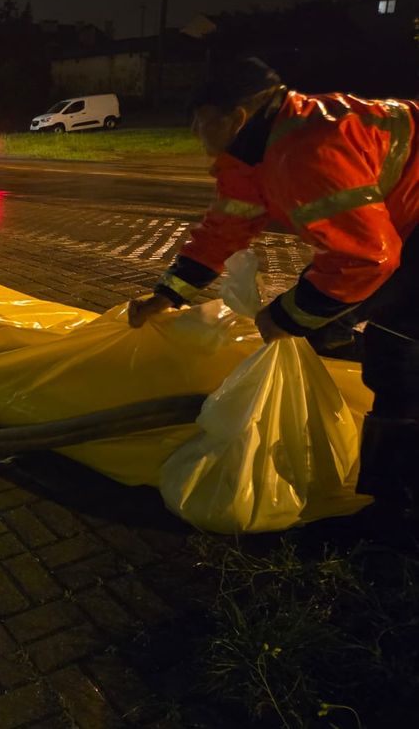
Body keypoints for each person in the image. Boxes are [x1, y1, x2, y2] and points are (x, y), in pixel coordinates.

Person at [128, 57, 419, 518]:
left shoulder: (306, 149)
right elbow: (225, 227)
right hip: (402, 230)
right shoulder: (253, 153)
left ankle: (397, 514)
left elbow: (365, 258)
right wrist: (168, 294)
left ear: (235, 118)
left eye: (200, 120)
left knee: (398, 356)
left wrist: (281, 317)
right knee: (325, 322)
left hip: (408, 236)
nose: (194, 132)